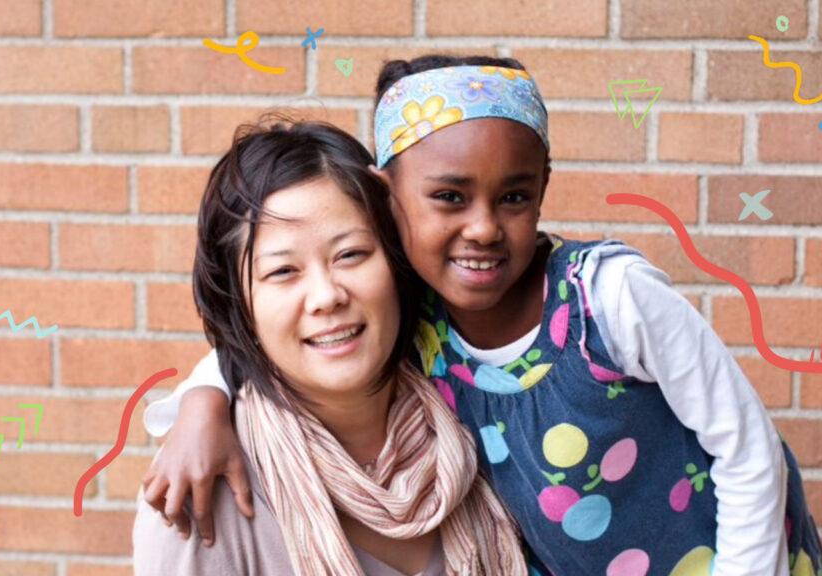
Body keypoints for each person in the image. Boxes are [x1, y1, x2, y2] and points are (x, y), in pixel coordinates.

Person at [142, 55, 822, 575]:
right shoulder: (422, 315)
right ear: (390, 200)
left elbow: (747, 449)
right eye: (448, 197)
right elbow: (284, 331)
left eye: (513, 197)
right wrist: (204, 399)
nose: (482, 228)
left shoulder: (608, 299)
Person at [133, 119, 527, 576]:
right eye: (283, 272)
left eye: (351, 254)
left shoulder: (481, 416)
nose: (326, 296)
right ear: (240, 304)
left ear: (398, 261)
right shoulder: (200, 492)